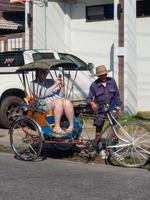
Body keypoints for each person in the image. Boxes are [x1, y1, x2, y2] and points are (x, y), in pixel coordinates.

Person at [86, 65, 122, 155]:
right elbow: (89, 98)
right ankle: (99, 148)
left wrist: (119, 107)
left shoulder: (112, 81)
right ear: (98, 76)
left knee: (115, 128)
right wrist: (92, 103)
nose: (104, 76)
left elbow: (117, 95)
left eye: (105, 74)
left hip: (112, 108)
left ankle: (114, 149)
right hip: (100, 110)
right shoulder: (94, 85)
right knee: (99, 130)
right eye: (101, 75)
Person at [30, 69, 74, 136]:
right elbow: (42, 95)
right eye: (44, 72)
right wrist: (55, 84)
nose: (45, 75)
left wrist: (62, 87)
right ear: (38, 72)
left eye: (47, 73)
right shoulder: (33, 83)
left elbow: (60, 95)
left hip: (57, 102)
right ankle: (56, 127)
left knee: (67, 102)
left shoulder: (50, 81)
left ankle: (71, 126)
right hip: (44, 106)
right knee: (58, 102)